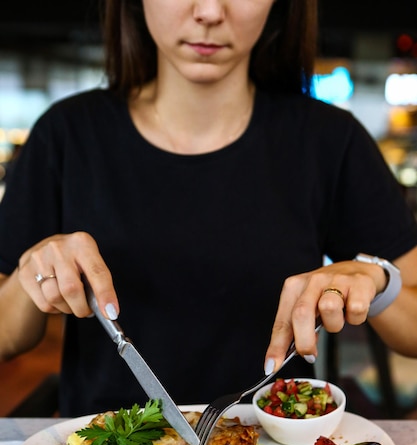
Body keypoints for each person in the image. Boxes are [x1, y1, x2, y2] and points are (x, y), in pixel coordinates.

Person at [1, 0, 417, 418]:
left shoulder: (329, 141)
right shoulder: (67, 134)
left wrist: (377, 280)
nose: (209, 12)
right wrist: (31, 274)